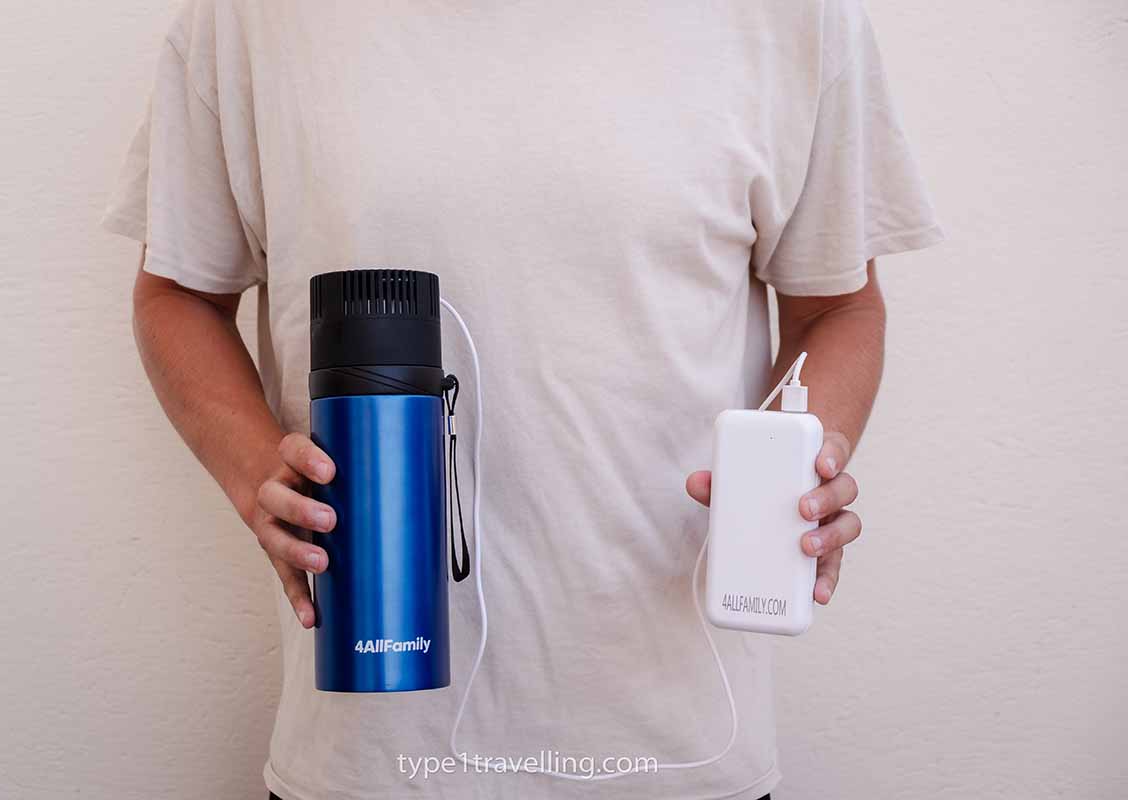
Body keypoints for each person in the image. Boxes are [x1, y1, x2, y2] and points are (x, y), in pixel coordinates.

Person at [103, 1, 941, 797]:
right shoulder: (252, 20)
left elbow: (837, 306)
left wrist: (804, 468)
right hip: (375, 751)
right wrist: (261, 477)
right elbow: (179, 294)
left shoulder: (791, 16)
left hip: (679, 748)